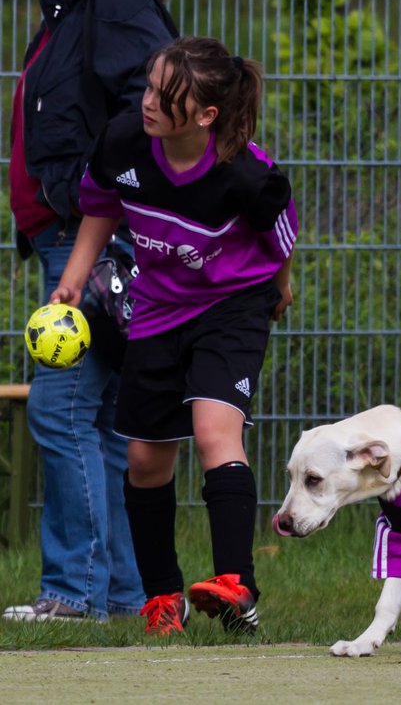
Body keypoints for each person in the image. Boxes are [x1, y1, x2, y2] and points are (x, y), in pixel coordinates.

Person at [50, 36, 297, 635]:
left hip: (232, 307)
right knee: (144, 457)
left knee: (216, 431)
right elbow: (102, 206)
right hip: (157, 308)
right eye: (151, 85)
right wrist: (73, 280)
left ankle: (237, 586)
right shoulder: (124, 142)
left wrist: (282, 288)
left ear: (207, 116)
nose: (149, 101)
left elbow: (280, 237)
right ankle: (164, 598)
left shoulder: (246, 171)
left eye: (166, 93)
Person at [4, 0, 175, 624]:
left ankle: (72, 595)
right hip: (72, 235)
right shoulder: (78, 9)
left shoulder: (112, 2)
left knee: (62, 410)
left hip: (95, 239)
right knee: (101, 419)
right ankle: (119, 596)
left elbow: (157, 91)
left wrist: (93, 183)